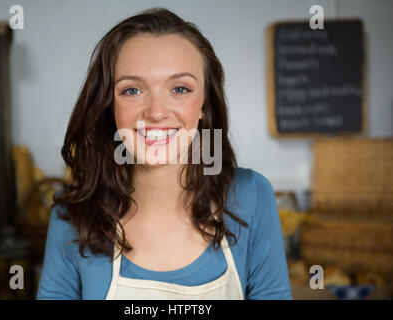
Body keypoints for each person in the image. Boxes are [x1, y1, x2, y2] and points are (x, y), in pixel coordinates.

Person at [37, 7, 291, 300]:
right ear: (109, 107)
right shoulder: (72, 216)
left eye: (180, 89)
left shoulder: (251, 196)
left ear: (204, 106)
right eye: (132, 90)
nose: (156, 112)